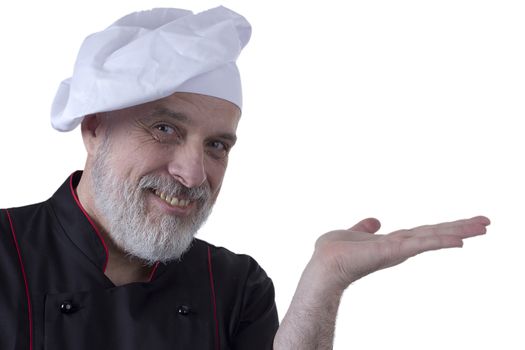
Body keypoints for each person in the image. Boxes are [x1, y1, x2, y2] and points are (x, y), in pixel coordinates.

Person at [0, 6, 489, 350]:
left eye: (217, 145)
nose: (193, 174)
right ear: (94, 129)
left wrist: (324, 283)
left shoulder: (234, 285)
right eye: (165, 128)